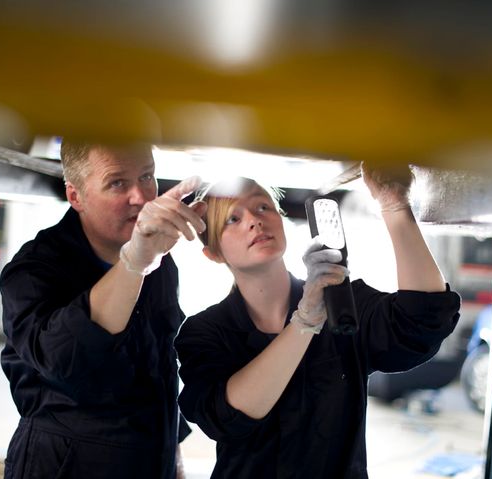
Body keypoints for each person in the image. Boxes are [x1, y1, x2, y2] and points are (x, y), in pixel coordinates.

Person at [174, 165, 461, 478]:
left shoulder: (342, 302)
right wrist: (305, 320)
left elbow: (422, 319)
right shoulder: (203, 333)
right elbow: (226, 416)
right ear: (213, 253)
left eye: (263, 207)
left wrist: (395, 206)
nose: (254, 220)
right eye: (233, 219)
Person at [0, 139, 206, 479]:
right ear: (75, 196)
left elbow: (161, 369)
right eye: (117, 183)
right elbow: (64, 360)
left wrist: (174, 458)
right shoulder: (34, 270)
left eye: (146, 176)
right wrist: (134, 264)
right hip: (66, 466)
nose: (140, 196)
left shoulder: (159, 262)